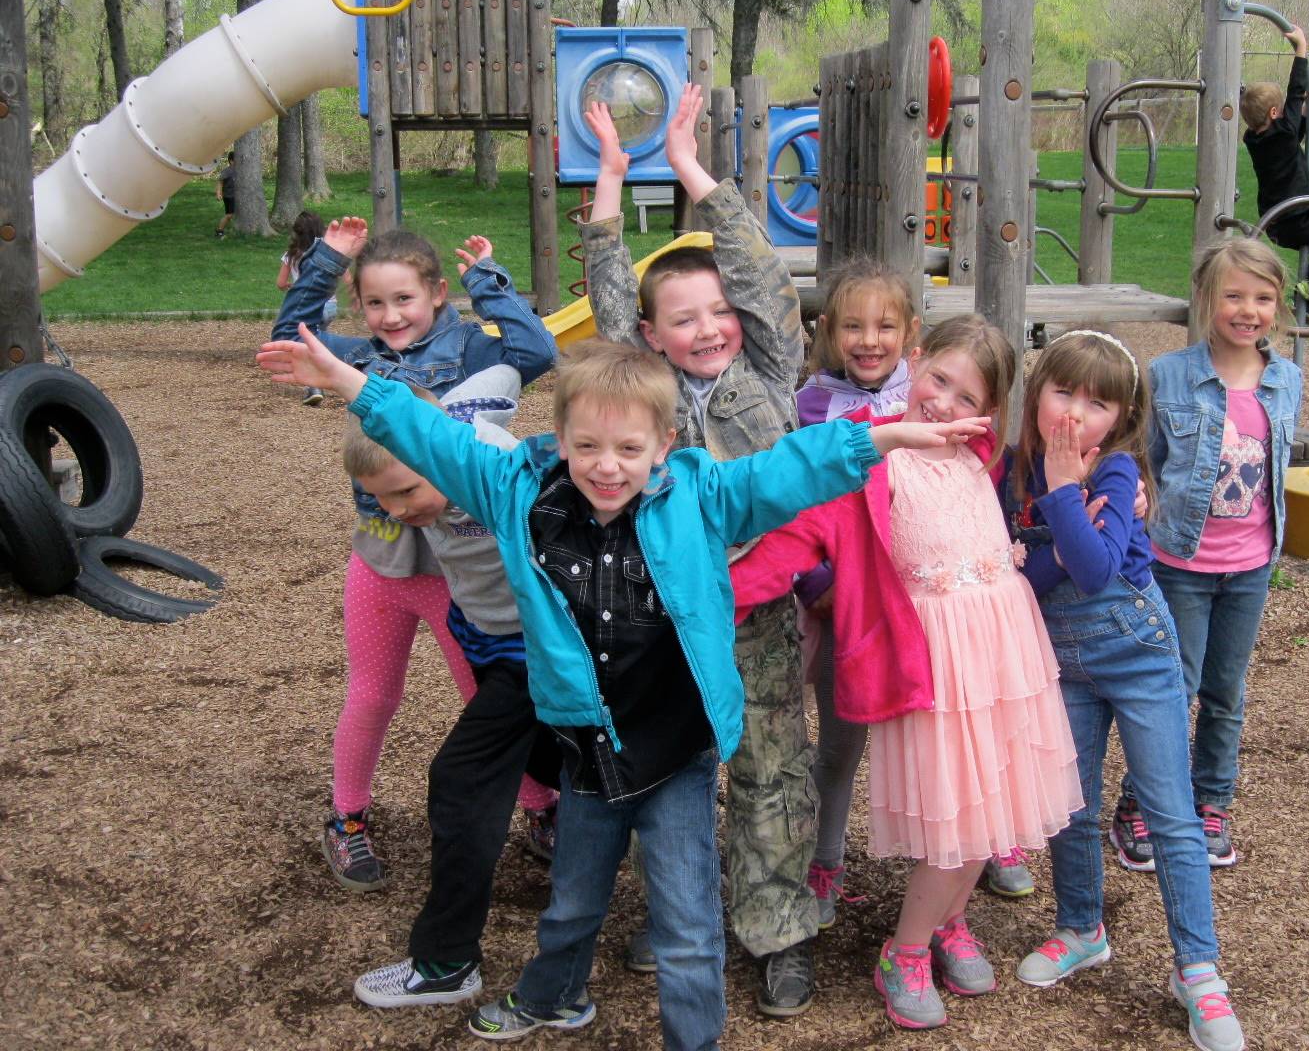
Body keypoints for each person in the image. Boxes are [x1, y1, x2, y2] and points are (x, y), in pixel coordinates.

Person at [254, 331, 990, 1050]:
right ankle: (553, 998)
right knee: (572, 902)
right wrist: (349, 382)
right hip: (588, 746)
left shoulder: (700, 495)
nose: (608, 467)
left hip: (675, 752)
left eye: (630, 450)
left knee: (686, 923)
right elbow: (428, 436)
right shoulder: (516, 491)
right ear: (560, 437)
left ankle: (693, 1038)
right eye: (588, 448)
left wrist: (882, 439)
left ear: (665, 444)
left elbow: (785, 469)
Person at [730, 315, 1082, 1032]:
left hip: (1002, 650)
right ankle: (907, 949)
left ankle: (951, 921)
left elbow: (1089, 449)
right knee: (959, 812)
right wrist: (723, 591)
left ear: (989, 409)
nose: (945, 402)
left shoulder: (985, 456)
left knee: (997, 803)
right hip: (936, 660)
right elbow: (803, 523)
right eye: (940, 379)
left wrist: (1123, 489)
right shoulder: (875, 454)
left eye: (967, 394)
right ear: (916, 361)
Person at [581, 83, 822, 1015]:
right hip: (665, 619)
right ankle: (683, 912)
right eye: (684, 319)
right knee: (666, 772)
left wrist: (688, 168)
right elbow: (607, 293)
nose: (709, 327)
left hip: (755, 613)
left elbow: (761, 276)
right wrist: (611, 177)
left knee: (770, 767)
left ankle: (778, 928)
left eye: (716, 311)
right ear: (652, 338)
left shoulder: (766, 373)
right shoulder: (638, 388)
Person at [271, 216, 557, 891]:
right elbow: (289, 341)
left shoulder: (473, 353)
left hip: (459, 563)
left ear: (435, 294)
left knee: (486, 696)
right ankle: (346, 817)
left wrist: (485, 284)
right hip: (380, 554)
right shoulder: (361, 361)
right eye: (375, 302)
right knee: (373, 693)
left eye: (405, 298)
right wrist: (325, 263)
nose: (390, 315)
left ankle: (541, 807)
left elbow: (537, 350)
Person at [1003, 331, 1244, 1051]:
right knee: (1071, 807)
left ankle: (1198, 969)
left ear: (1121, 416)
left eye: (1097, 402)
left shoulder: (1114, 472)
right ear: (1036, 391)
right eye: (1063, 391)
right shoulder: (1011, 473)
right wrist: (1034, 554)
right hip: (1066, 663)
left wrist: (1051, 512)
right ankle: (1081, 928)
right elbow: (1039, 567)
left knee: (1170, 812)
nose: (1076, 413)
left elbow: (1095, 566)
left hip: (1138, 654)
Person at [793, 262, 1036, 916]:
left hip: (939, 619)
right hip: (854, 608)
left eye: (885, 326)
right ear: (829, 331)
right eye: (853, 326)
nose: (869, 339)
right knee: (843, 744)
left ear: (910, 337)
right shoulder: (818, 405)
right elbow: (809, 513)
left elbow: (981, 504)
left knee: (960, 741)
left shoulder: (955, 424)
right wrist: (821, 584)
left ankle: (983, 841)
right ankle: (824, 859)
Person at [342, 367, 562, 1010]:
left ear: (441, 452)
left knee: (462, 780)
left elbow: (518, 356)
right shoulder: (425, 452)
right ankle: (596, 864)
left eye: (406, 493)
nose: (399, 513)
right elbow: (490, 379)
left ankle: (444, 962)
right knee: (560, 762)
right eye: (380, 500)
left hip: (536, 651)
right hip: (487, 639)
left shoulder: (495, 472)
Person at [1128, 239, 1303, 875]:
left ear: (1277, 306)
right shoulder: (1170, 375)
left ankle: (1211, 802)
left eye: (1261, 298)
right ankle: (1144, 803)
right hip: (1181, 562)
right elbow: (1145, 456)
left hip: (1250, 565)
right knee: (1175, 685)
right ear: (1207, 299)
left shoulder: (1286, 380)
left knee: (1226, 692)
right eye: (1233, 295)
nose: (1247, 309)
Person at [1241, 24, 1309, 325]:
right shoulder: (1282, 133)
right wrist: (1301, 49)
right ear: (1275, 114)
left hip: (1276, 222)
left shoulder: (1253, 138)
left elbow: (1289, 137)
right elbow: (1296, 89)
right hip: (1297, 219)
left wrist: (1303, 113)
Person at [275, 210, 337, 405]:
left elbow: (280, 283)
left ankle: (314, 387)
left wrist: (293, 287)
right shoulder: (327, 255)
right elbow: (346, 277)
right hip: (330, 306)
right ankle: (332, 377)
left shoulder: (292, 256)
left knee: (305, 346)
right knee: (319, 342)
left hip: (306, 309)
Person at [214, 151, 235, 239]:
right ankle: (220, 230)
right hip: (229, 196)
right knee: (229, 215)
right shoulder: (227, 171)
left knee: (232, 214)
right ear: (231, 161)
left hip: (236, 196)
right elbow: (220, 182)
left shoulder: (241, 170)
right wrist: (218, 193)